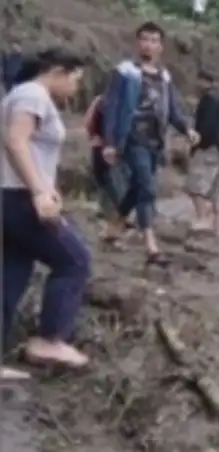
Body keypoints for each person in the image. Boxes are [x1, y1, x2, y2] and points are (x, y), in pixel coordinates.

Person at [0, 47, 92, 380]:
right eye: (76, 80)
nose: (76, 88)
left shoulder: (19, 94)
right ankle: (50, 339)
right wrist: (39, 191)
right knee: (75, 260)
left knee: (11, 276)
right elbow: (16, 141)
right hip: (19, 198)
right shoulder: (33, 94)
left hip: (10, 196)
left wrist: (47, 186)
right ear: (59, 71)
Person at [101, 21, 199, 265]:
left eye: (154, 40)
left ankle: (114, 227)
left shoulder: (164, 77)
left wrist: (187, 128)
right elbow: (111, 107)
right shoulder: (124, 72)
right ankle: (150, 245)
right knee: (147, 186)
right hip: (132, 138)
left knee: (138, 186)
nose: (148, 44)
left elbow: (173, 108)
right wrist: (110, 142)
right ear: (137, 43)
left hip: (156, 141)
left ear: (161, 46)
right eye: (144, 39)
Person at [185, 69, 219, 234]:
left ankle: (202, 219)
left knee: (194, 185)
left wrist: (197, 145)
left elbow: (206, 126)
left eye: (198, 81)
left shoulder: (208, 98)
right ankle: (217, 225)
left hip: (209, 147)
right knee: (217, 190)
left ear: (203, 81)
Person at [84, 94, 130, 239]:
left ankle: (115, 220)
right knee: (115, 183)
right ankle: (116, 222)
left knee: (106, 183)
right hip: (119, 148)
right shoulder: (127, 101)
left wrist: (93, 136)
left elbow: (87, 122)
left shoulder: (101, 100)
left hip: (100, 146)